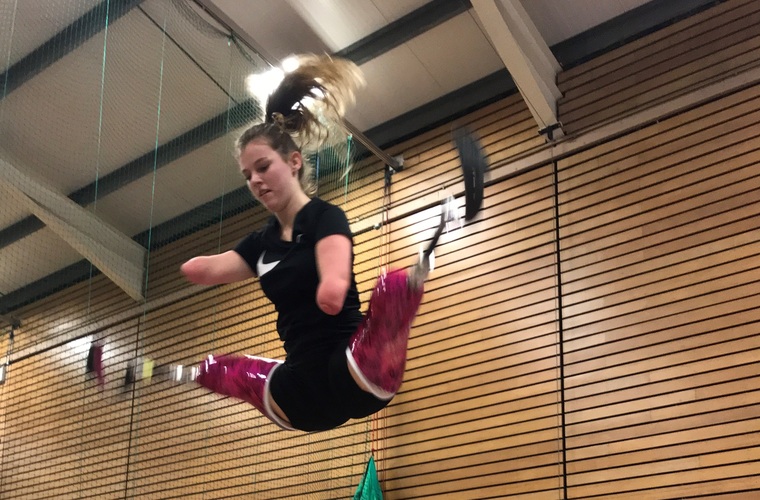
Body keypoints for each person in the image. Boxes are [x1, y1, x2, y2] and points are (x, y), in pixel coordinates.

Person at [180, 55, 429, 432]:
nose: (255, 182)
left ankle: (409, 286)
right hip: (302, 395)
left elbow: (334, 289)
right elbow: (200, 270)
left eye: (263, 167)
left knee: (390, 286)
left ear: (294, 162)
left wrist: (331, 286)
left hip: (353, 371)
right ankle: (190, 373)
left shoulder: (325, 217)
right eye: (247, 175)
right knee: (224, 368)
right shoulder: (259, 244)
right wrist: (198, 268)